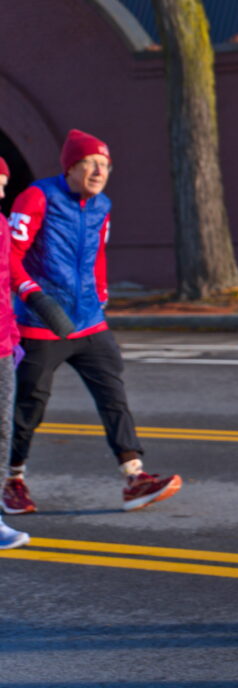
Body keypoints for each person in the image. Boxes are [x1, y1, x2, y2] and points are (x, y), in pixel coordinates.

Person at [1, 130, 181, 515]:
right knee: (29, 405)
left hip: (90, 321)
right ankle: (12, 479)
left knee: (113, 394)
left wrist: (101, 293)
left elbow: (98, 253)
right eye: (91, 163)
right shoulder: (37, 197)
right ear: (70, 166)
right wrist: (32, 293)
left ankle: (134, 477)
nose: (100, 171)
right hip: (42, 322)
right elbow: (9, 254)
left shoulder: (102, 205)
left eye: (106, 165)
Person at [0, 158, 28, 548]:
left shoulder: (2, 225)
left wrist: (12, 334)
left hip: (2, 346)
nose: (3, 191)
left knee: (1, 429)